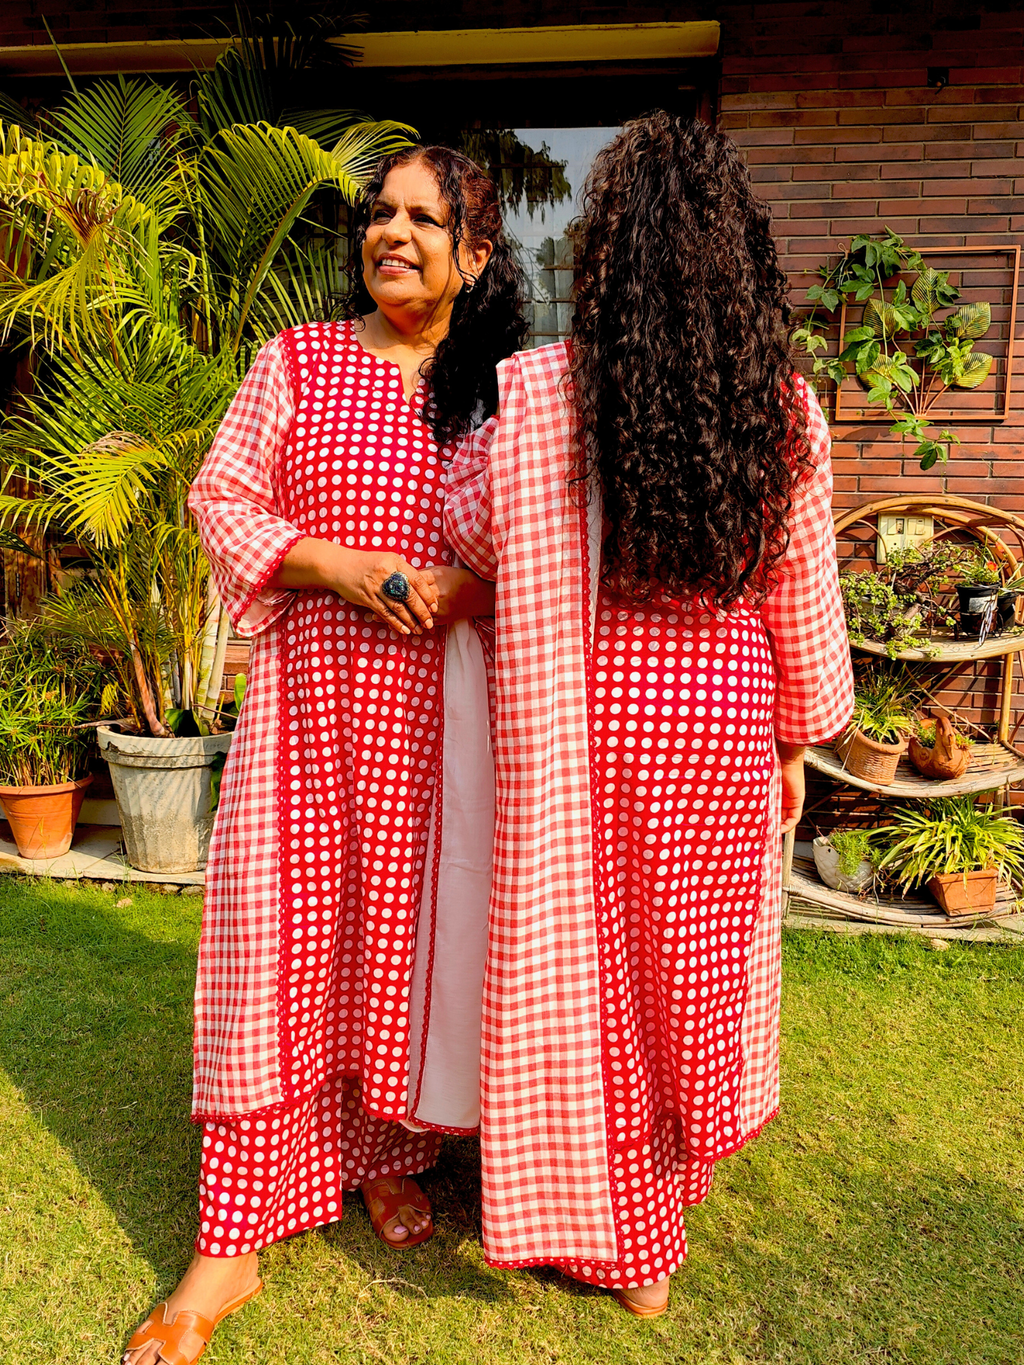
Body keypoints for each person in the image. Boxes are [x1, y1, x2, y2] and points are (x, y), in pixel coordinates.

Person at [444, 112, 854, 1318]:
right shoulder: (780, 409)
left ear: (606, 253)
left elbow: (474, 532)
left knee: (596, 982)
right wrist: (796, 740)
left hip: (587, 725)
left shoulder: (545, 395)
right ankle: (665, 1201)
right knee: (693, 971)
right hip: (719, 731)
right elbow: (800, 596)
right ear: (740, 255)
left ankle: (623, 1236)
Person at [125, 146, 527, 1365]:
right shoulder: (295, 361)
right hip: (306, 712)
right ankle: (231, 1240)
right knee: (275, 947)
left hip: (438, 724)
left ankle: (387, 1153)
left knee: (401, 942)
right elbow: (222, 497)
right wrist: (340, 566)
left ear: (476, 254)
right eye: (379, 214)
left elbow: (536, 541)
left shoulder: (500, 388)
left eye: (423, 219)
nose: (391, 233)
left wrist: (465, 588)